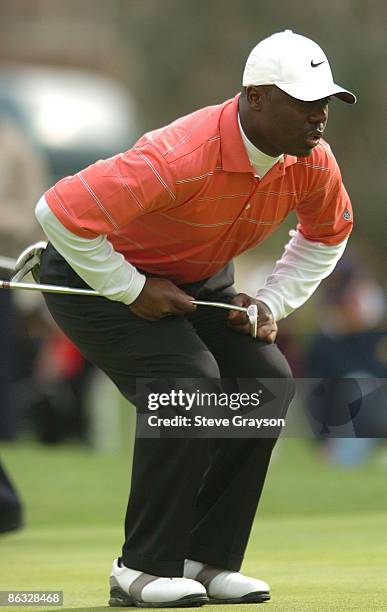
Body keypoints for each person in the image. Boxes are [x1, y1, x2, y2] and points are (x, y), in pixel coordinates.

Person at [35, 30, 356, 607]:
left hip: (196, 278)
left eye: (325, 103)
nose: (318, 117)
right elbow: (58, 211)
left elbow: (327, 234)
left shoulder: (309, 162)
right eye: (303, 103)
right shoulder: (182, 154)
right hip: (93, 272)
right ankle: (138, 571)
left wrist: (273, 300)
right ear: (256, 97)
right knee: (186, 382)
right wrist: (131, 287)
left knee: (265, 384)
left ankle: (203, 561)